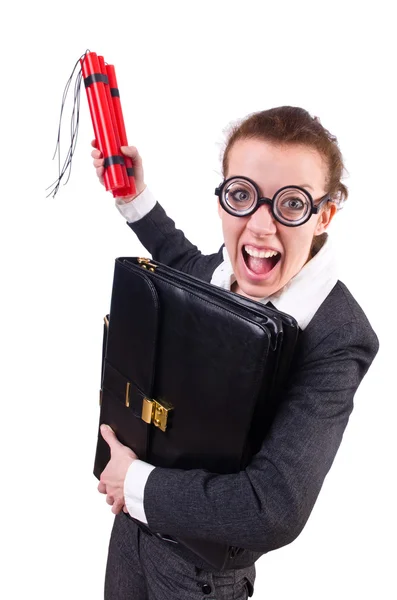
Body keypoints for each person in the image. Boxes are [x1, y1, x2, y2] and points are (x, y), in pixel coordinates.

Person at [91, 106, 379, 599]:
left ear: (325, 214)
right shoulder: (224, 272)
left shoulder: (338, 334)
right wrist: (134, 197)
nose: (261, 226)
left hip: (199, 577)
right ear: (224, 199)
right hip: (131, 532)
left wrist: (134, 481)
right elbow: (183, 264)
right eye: (242, 196)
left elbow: (272, 509)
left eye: (291, 204)